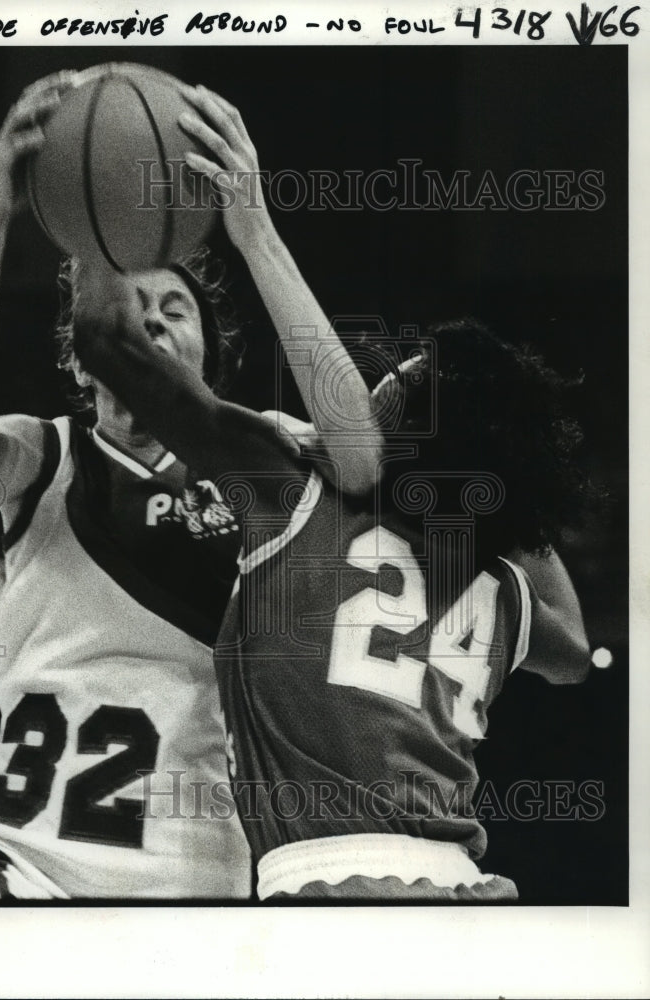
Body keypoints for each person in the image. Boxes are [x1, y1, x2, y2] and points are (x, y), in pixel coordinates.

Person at [74, 85, 594, 901]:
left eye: (404, 378)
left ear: (415, 430)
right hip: (467, 889)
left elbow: (108, 340)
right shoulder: (504, 590)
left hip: (336, 895)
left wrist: (95, 218)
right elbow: (572, 656)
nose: (382, 376)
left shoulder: (292, 493)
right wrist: (511, 494)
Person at [0, 68, 375, 901]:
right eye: (135, 302)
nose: (154, 316)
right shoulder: (45, 457)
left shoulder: (263, 458)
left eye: (176, 305)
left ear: (208, 351)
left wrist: (255, 230)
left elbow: (361, 448)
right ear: (87, 353)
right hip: (17, 862)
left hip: (197, 882)